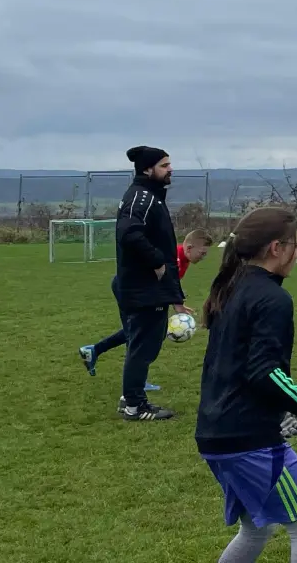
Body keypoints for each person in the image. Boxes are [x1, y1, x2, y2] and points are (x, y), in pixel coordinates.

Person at [196, 206, 297, 563]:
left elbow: (228, 368)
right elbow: (264, 372)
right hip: (248, 441)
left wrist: (277, 411)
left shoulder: (232, 286)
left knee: (257, 528)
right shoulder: (272, 298)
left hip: (215, 433)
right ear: (276, 248)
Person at [111, 145, 192, 420]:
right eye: (164, 165)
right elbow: (128, 234)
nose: (170, 169)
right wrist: (156, 261)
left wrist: (176, 298)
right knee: (143, 347)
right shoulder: (140, 198)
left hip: (150, 288)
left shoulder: (150, 196)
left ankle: (130, 398)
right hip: (142, 287)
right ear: (147, 169)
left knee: (145, 345)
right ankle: (135, 406)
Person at [81, 229, 212, 392]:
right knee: (140, 336)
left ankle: (95, 351)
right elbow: (160, 280)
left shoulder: (181, 258)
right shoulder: (174, 257)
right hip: (128, 289)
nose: (203, 257)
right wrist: (175, 302)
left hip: (138, 290)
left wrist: (177, 301)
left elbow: (169, 282)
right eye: (202, 253)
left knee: (144, 333)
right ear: (190, 247)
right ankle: (134, 387)